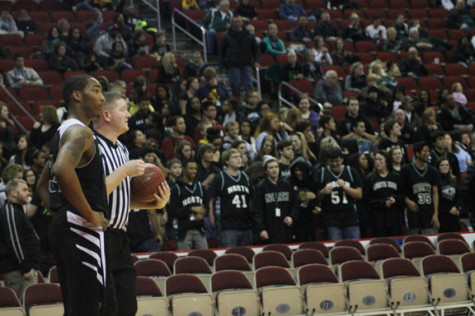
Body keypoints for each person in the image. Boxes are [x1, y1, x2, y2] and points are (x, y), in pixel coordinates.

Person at [36, 74, 112, 315]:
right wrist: (88, 214)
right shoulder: (81, 133)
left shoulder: (63, 132)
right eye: (97, 90)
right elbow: (61, 170)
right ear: (77, 95)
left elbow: (41, 185)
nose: (102, 98)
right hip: (81, 227)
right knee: (91, 308)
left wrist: (60, 214)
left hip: (67, 225)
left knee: (78, 307)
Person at [93, 91, 170, 316]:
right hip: (97, 235)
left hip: (119, 236)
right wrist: (124, 171)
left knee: (128, 306)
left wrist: (153, 205)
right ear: (106, 114)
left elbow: (119, 200)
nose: (128, 114)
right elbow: (92, 194)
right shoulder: (90, 146)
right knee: (105, 306)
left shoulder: (123, 149)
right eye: (123, 109)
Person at [0, 179, 39, 302]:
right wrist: (26, 267)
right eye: (24, 190)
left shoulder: (17, 210)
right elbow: (14, 241)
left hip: (23, 269)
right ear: (13, 192)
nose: (28, 193)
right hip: (18, 271)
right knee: (20, 308)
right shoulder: (10, 211)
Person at [314, 147, 363, 240]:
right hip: (331, 218)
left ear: (342, 159)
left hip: (350, 217)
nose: (334, 164)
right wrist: (322, 192)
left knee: (354, 246)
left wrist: (345, 187)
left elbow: (359, 195)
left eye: (337, 161)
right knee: (336, 247)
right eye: (331, 161)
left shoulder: (351, 171)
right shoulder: (321, 173)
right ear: (327, 161)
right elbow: (316, 197)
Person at [208, 148, 253, 247]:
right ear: (227, 161)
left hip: (245, 224)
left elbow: (250, 199)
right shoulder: (220, 178)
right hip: (228, 226)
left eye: (240, 157)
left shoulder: (246, 177)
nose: (239, 159)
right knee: (230, 258)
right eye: (235, 157)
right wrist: (212, 218)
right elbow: (211, 200)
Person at [253, 155, 298, 244]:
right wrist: (261, 229)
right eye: (271, 168)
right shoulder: (261, 187)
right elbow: (257, 211)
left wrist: (291, 216)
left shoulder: (286, 185)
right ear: (266, 171)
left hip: (285, 227)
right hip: (269, 228)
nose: (274, 170)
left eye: (276, 167)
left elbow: (295, 204)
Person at [401, 142, 440, 235]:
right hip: (413, 215)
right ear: (417, 153)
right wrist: (408, 201)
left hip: (429, 214)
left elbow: (435, 193)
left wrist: (436, 214)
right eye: (425, 151)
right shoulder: (406, 170)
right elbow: (400, 190)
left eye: (428, 151)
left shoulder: (433, 170)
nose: (428, 154)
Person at [363, 151, 404, 237]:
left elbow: (402, 196)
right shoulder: (369, 179)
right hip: (378, 221)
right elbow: (367, 200)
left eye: (380, 160)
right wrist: (383, 203)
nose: (377, 162)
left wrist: (394, 198)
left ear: (387, 161)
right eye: (376, 159)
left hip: (394, 219)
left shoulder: (396, 177)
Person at [170, 159, 208, 250]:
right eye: (191, 168)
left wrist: (202, 213)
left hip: (199, 228)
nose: (194, 171)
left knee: (205, 257)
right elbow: (174, 211)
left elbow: (207, 206)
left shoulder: (199, 186)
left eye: (195, 169)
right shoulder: (177, 188)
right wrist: (192, 209)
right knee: (185, 260)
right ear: (184, 169)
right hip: (184, 231)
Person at [219, 15, 259, 98]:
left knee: (249, 85)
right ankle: (237, 103)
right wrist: (222, 64)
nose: (237, 24)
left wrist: (257, 61)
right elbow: (221, 51)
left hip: (246, 63)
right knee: (235, 85)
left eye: (239, 22)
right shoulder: (227, 36)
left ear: (242, 23)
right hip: (233, 64)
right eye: (235, 22)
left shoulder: (249, 35)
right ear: (232, 23)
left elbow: (256, 49)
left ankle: (250, 103)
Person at [436, 158, 462, 233]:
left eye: (447, 165)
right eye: (442, 165)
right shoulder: (436, 180)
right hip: (441, 215)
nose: (445, 167)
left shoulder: (454, 180)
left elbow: (460, 197)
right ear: (438, 167)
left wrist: (456, 206)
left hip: (453, 214)